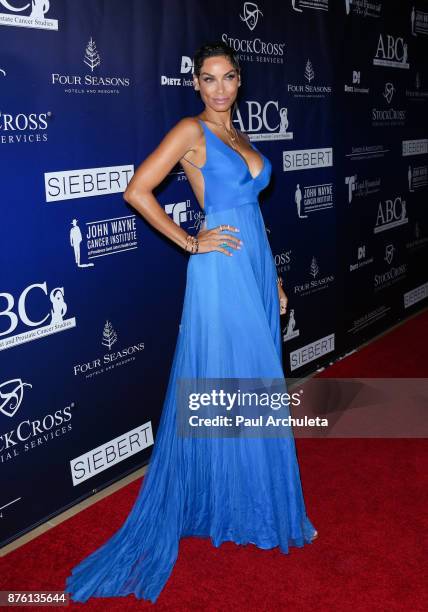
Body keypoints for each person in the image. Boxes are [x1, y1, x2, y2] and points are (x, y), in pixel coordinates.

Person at [64, 40, 317, 605]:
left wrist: (272, 277)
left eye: (229, 77)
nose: (220, 88)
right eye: (209, 79)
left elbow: (252, 213)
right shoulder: (191, 131)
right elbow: (136, 190)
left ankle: (238, 496)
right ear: (196, 83)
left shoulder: (238, 134)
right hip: (219, 270)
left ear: (239, 81)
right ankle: (250, 507)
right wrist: (188, 241)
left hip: (252, 265)